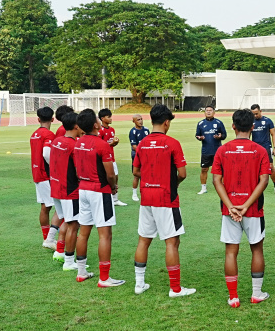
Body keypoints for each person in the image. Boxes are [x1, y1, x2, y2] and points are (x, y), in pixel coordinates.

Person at [132, 104, 195, 298]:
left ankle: (139, 284)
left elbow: (135, 171)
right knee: (172, 242)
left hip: (146, 198)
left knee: (144, 240)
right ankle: (175, 289)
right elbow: (182, 173)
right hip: (166, 198)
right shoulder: (172, 143)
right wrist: (170, 183)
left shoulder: (142, 143)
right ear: (166, 123)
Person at [212, 109, 271, 307]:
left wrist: (231, 206)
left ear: (233, 126)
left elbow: (216, 180)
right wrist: (246, 205)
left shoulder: (222, 150)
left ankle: (233, 297)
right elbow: (264, 181)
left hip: (229, 211)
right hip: (253, 209)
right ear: (252, 127)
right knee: (257, 250)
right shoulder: (260, 150)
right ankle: (256, 294)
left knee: (230, 251)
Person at [73, 108, 125, 287]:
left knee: (84, 232)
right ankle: (104, 278)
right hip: (99, 191)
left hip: (83, 189)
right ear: (96, 124)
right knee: (105, 235)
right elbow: (110, 174)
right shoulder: (102, 145)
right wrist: (113, 187)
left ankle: (81, 272)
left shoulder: (78, 143)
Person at [49, 112, 83, 270]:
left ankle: (60, 252)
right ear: (76, 126)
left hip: (56, 188)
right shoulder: (73, 145)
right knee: (73, 224)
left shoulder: (57, 141)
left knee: (67, 221)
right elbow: (78, 171)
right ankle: (69, 262)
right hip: (69, 190)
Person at [30, 106, 61, 250]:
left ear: (38, 119)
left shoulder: (34, 134)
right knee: (58, 205)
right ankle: (51, 238)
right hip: (45, 174)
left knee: (45, 206)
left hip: (36, 173)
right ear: (52, 119)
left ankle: (47, 238)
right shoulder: (49, 134)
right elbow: (46, 154)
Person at [195, 105, 227, 195]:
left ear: (214, 112)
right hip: (206, 151)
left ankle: (223, 187)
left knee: (221, 170)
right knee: (204, 169)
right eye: (207, 110)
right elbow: (197, 135)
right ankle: (203, 188)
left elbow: (224, 135)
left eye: (210, 110)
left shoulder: (219, 123)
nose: (208, 112)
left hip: (217, 151)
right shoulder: (200, 123)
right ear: (205, 112)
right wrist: (200, 137)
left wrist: (220, 136)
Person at [98, 108, 127, 206]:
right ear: (102, 118)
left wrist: (114, 143)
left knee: (115, 177)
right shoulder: (100, 131)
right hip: (104, 159)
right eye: (108, 117)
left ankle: (115, 199)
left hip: (112, 157)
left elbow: (109, 145)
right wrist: (111, 143)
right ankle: (107, 198)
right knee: (106, 178)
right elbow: (99, 146)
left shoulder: (112, 130)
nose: (111, 118)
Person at [250, 104, 275, 194]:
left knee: (270, 167)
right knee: (254, 168)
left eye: (256, 113)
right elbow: (247, 135)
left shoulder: (268, 121)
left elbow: (273, 134)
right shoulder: (250, 122)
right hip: (255, 148)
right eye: (253, 114)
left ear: (260, 111)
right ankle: (255, 186)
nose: (255, 116)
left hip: (266, 147)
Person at [129, 114, 150, 202]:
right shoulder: (132, 132)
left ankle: (145, 193)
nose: (140, 121)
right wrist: (143, 153)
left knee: (146, 175)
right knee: (137, 175)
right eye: (138, 119)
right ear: (134, 121)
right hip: (137, 155)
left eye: (141, 119)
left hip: (146, 155)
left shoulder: (146, 130)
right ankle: (134, 194)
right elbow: (134, 146)